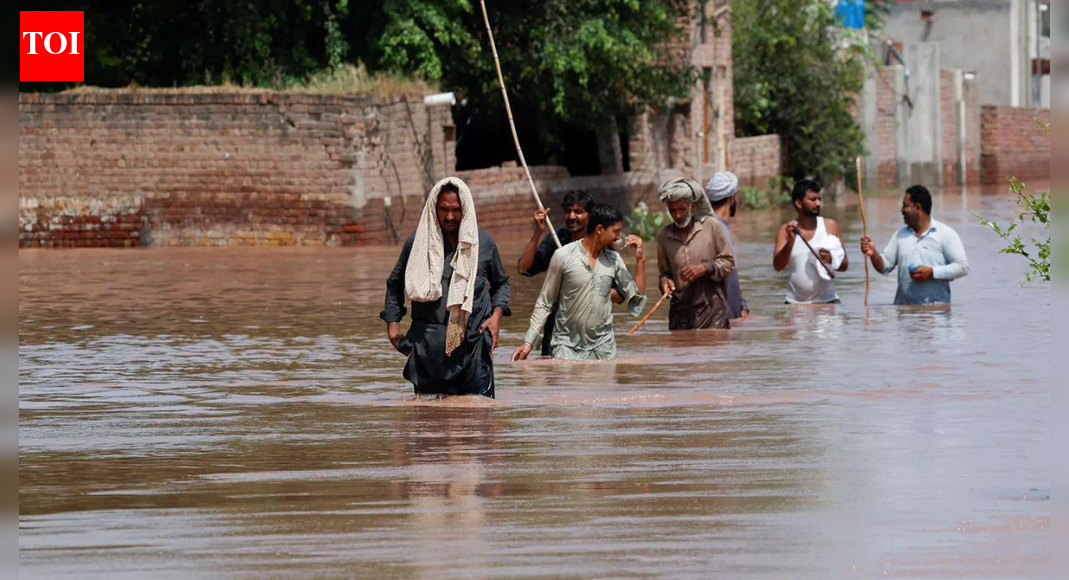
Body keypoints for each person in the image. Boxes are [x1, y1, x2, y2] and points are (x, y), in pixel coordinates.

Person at [381, 177, 511, 398]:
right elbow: (395, 284)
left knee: (480, 423)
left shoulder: (482, 243)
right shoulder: (417, 243)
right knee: (430, 425)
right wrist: (393, 330)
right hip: (428, 349)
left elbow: (501, 284)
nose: (450, 216)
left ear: (465, 209)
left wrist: (496, 315)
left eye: (456, 210)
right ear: (434, 207)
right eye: (443, 209)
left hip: (473, 347)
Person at [512, 203, 647, 361]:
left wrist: (640, 259)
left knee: (606, 385)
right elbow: (545, 302)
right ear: (599, 229)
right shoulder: (563, 256)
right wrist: (529, 342)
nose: (618, 237)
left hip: (603, 347)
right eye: (615, 232)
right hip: (566, 346)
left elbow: (636, 295)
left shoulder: (614, 259)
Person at [860, 185, 969, 305]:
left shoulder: (945, 234)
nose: (901, 210)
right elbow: (884, 267)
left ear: (918, 207)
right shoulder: (900, 235)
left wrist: (932, 272)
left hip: (937, 315)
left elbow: (962, 267)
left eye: (905, 206)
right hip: (905, 314)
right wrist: (873, 254)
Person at [655, 178, 736, 330]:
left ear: (692, 207)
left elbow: (728, 263)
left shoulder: (710, 226)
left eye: (682, 209)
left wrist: (705, 268)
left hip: (712, 311)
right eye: (672, 210)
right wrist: (665, 282)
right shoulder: (663, 236)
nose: (677, 215)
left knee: (713, 350)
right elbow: (664, 272)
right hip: (680, 313)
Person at [773, 180, 849, 304]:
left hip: (828, 302)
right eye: (813, 199)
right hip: (795, 304)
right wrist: (790, 242)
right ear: (799, 203)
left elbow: (844, 265)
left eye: (819, 199)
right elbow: (778, 266)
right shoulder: (786, 230)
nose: (818, 203)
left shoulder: (830, 226)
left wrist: (831, 259)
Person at [706, 172, 750, 320]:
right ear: (732, 198)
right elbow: (723, 275)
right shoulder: (716, 227)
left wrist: (742, 306)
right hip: (722, 316)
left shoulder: (716, 225)